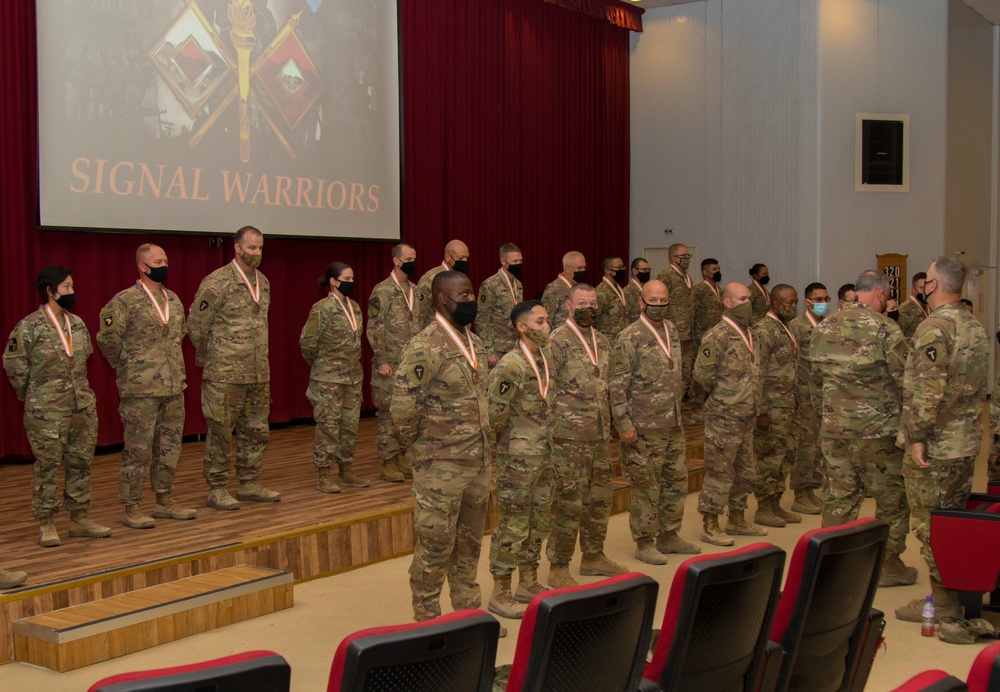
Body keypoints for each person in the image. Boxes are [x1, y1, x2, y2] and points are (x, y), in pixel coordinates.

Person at [391, 271, 492, 623]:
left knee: (470, 544)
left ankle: (467, 612)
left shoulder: (473, 342)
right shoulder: (425, 346)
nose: (470, 301)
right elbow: (403, 407)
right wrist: (422, 451)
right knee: (435, 545)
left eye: (472, 293)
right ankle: (428, 618)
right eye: (463, 295)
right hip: (440, 467)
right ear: (441, 299)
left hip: (477, 463)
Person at [893, 258, 988, 622]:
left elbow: (928, 391)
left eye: (925, 280)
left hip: (935, 446)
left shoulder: (934, 327)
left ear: (931, 285)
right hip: (964, 441)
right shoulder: (972, 324)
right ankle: (954, 593)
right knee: (953, 521)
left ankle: (944, 604)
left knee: (930, 525)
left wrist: (917, 437)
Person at [808, 270, 916, 588]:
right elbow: (905, 379)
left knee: (839, 497)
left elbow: (813, 376)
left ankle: (832, 567)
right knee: (891, 498)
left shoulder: (826, 325)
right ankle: (887, 566)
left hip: (834, 428)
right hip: (877, 431)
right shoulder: (886, 329)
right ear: (881, 295)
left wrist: (825, 414)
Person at [3, 266, 112, 546]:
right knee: (48, 466)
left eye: (72, 286)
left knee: (81, 462)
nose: (72, 292)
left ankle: (79, 518)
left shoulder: (77, 323)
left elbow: (84, 356)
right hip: (46, 411)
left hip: (81, 406)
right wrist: (34, 394)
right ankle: (47, 522)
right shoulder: (28, 327)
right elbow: (14, 364)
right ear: (50, 291)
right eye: (66, 287)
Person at [97, 244, 197, 530]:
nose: (164, 264)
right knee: (138, 451)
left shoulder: (173, 299)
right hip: (140, 390)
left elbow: (180, 336)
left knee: (169, 447)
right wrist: (132, 367)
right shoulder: (124, 301)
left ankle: (164, 501)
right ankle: (133, 506)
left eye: (166, 259)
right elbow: (108, 340)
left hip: (173, 386)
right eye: (158, 260)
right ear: (142, 266)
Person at [188, 226, 281, 510]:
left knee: (256, 430)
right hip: (224, 374)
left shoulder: (263, 282)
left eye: (260, 248)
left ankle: (249, 482)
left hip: (257, 373)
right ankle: (217, 487)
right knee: (220, 432)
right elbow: (196, 325)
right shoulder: (217, 282)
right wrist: (212, 359)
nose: (256, 253)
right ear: (237, 248)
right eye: (251, 248)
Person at [611, 280, 700, 566]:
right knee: (646, 486)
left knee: (675, 481)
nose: (659, 306)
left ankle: (669, 535)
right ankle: (645, 542)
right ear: (641, 302)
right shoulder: (629, 337)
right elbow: (616, 384)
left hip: (673, 422)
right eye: (654, 300)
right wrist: (623, 423)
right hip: (643, 425)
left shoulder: (672, 329)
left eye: (664, 301)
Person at [546, 283, 626, 586]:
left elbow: (611, 384)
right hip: (568, 438)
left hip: (600, 435)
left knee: (599, 500)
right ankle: (559, 565)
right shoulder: (556, 341)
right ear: (569, 306)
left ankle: (593, 556)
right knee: (568, 504)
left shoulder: (603, 341)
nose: (588, 308)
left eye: (592, 303)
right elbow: (546, 389)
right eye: (581, 303)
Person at [487, 300, 553, 619]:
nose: (547, 327)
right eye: (540, 322)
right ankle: (501, 591)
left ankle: (528, 581)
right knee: (512, 525)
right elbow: (494, 415)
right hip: (518, 459)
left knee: (538, 521)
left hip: (544, 454)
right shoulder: (510, 365)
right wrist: (512, 443)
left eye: (547, 321)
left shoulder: (545, 359)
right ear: (522, 327)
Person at [694, 283, 765, 545]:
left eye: (749, 298)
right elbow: (702, 374)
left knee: (745, 471)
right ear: (727, 303)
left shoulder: (750, 333)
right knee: (720, 472)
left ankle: (737, 518)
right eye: (742, 298)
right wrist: (726, 395)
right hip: (724, 416)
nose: (748, 302)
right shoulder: (717, 335)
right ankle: (710, 523)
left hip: (747, 414)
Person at [300, 262, 370, 494]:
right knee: (328, 427)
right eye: (346, 279)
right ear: (333, 281)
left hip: (352, 378)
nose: (351, 283)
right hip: (328, 379)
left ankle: (346, 471)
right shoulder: (322, 308)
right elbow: (307, 343)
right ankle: (323, 475)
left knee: (349, 426)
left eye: (352, 279)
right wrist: (321, 366)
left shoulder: (355, 308)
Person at [366, 243, 423, 483]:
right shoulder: (383, 291)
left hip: (411, 365)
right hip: (390, 364)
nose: (412, 262)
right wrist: (382, 360)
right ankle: (388, 462)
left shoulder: (416, 290)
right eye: (408, 258)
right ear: (396, 261)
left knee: (406, 413)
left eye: (415, 257)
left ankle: (401, 457)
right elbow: (375, 328)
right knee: (388, 413)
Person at [750, 284, 802, 528]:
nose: (793, 307)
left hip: (788, 404)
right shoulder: (763, 330)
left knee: (785, 457)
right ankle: (763, 508)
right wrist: (760, 411)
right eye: (788, 303)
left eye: (795, 303)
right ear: (775, 303)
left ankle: (776, 503)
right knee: (768, 460)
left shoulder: (786, 326)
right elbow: (756, 372)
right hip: (771, 408)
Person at [787, 282, 830, 514]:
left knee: (819, 446)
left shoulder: (829, 325)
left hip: (824, 396)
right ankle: (800, 493)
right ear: (807, 301)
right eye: (818, 299)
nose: (823, 303)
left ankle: (812, 488)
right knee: (805, 446)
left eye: (826, 298)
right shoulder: (796, 327)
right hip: (804, 396)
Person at [655, 244, 695, 411]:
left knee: (685, 372)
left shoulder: (687, 276)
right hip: (672, 335)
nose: (686, 259)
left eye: (688, 256)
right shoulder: (666, 276)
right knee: (672, 373)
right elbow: (658, 305)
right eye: (683, 256)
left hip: (687, 333)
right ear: (673, 258)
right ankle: (666, 409)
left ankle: (677, 408)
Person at [476, 243, 524, 367]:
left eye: (520, 260)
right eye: (515, 261)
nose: (518, 264)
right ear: (503, 261)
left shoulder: (518, 285)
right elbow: (482, 319)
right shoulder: (490, 285)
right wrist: (489, 350)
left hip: (516, 346)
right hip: (498, 349)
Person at [418, 240, 470, 327]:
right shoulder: (431, 278)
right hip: (437, 334)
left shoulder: (462, 279)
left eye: (466, 258)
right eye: (461, 258)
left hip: (460, 333)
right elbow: (420, 313)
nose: (464, 261)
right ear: (448, 257)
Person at [541, 251, 586, 331]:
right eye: (579, 268)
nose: (582, 271)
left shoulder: (578, 287)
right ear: (567, 269)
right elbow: (546, 319)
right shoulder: (555, 289)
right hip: (559, 339)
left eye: (584, 268)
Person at [594, 255, 628, 340]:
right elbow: (594, 320)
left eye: (623, 267)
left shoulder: (620, 290)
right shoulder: (600, 292)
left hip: (621, 341)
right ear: (608, 270)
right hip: (606, 342)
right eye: (619, 267)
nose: (622, 270)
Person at [896, 272, 929, 340]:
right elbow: (896, 337)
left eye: (927, 288)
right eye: (921, 288)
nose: (925, 291)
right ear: (913, 289)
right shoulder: (905, 309)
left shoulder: (929, 307)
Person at [624, 257, 651, 324]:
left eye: (649, 269)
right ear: (634, 271)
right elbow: (625, 317)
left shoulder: (649, 289)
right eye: (644, 269)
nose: (647, 272)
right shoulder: (627, 292)